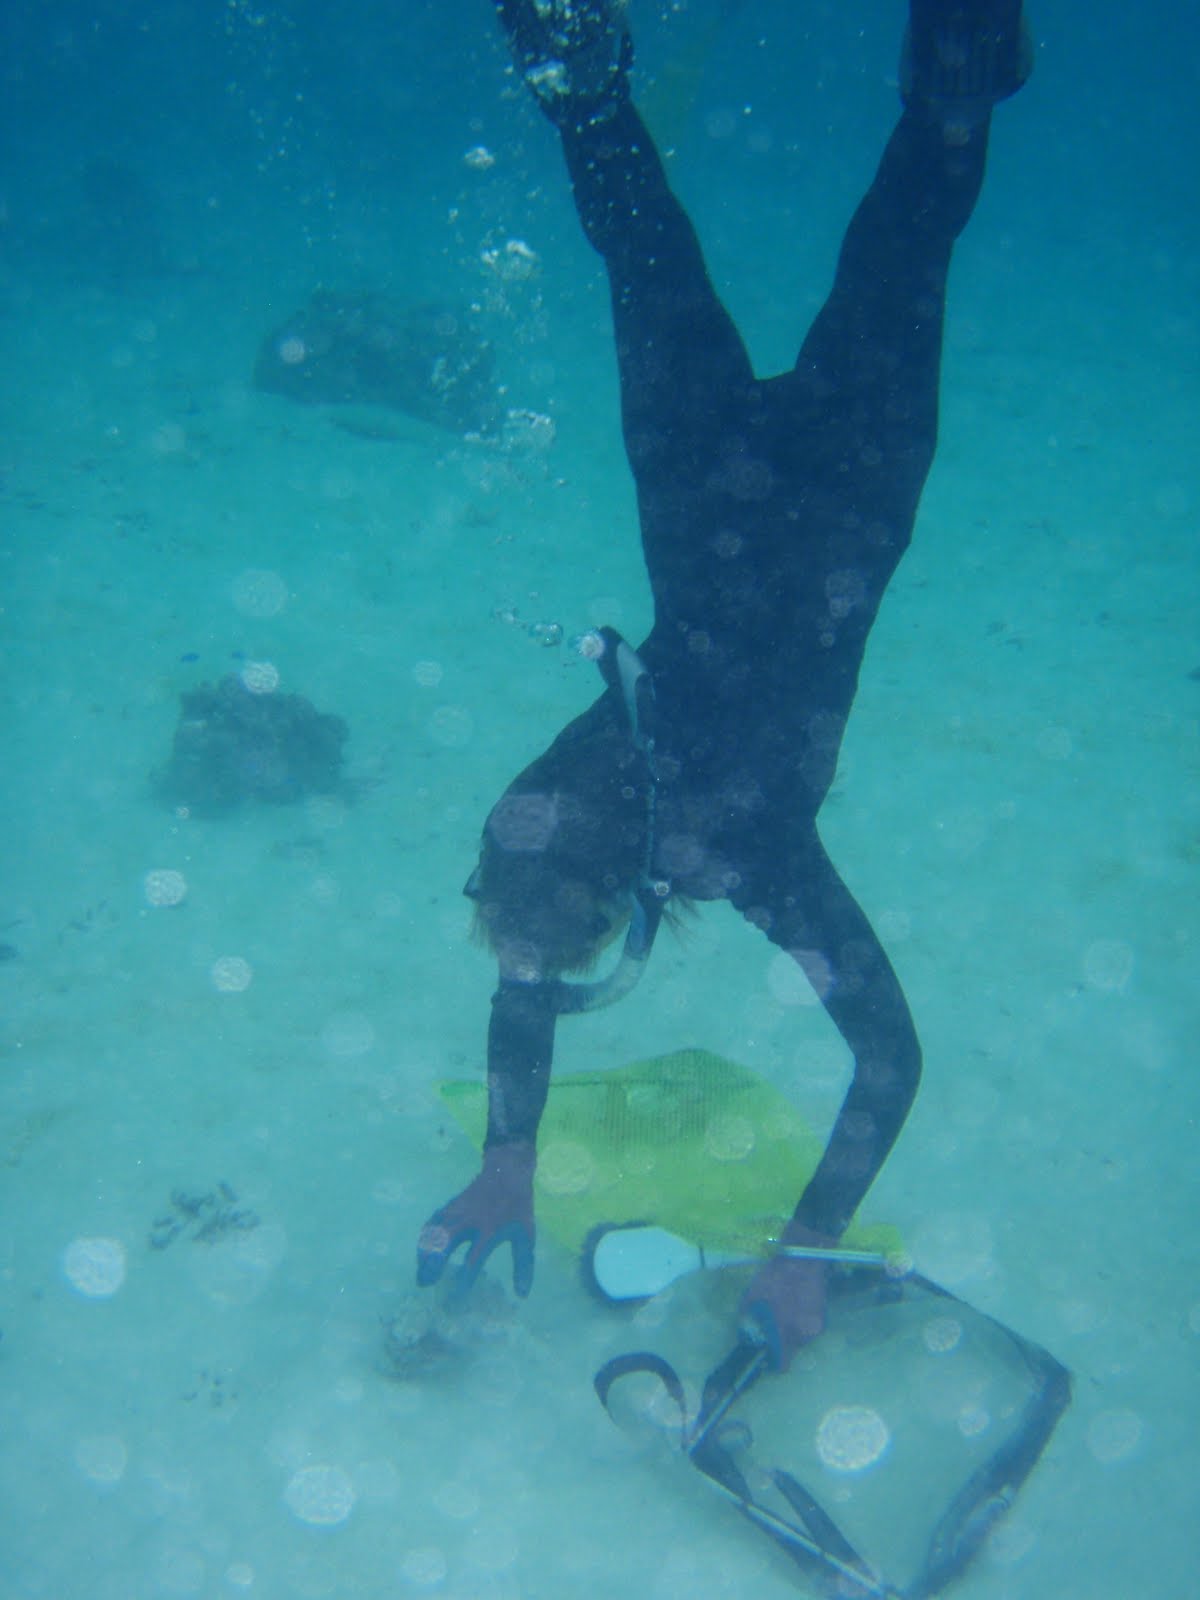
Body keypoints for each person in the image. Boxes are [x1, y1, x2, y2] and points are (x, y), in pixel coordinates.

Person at [417, 0, 1031, 1373]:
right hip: (730, 491)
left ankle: (597, 66)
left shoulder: (717, 851)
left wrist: (525, 1157)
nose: (524, 826)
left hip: (808, 498)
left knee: (883, 224)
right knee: (695, 244)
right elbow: (885, 1061)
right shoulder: (607, 822)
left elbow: (885, 1059)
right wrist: (795, 1244)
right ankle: (585, 69)